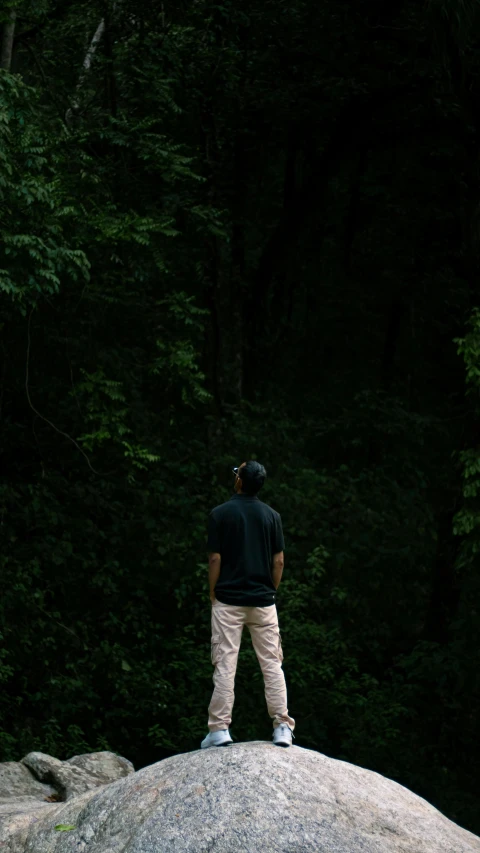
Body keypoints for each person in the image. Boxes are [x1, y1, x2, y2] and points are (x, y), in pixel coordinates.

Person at [201, 460, 295, 749]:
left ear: (239, 481)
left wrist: (213, 592)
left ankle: (219, 730)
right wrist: (270, 589)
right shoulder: (272, 516)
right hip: (263, 601)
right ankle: (281, 726)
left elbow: (215, 559)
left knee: (226, 662)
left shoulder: (220, 514)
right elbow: (278, 561)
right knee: (271, 664)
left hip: (228, 600)